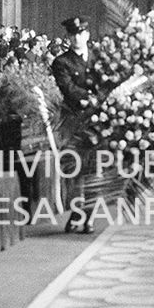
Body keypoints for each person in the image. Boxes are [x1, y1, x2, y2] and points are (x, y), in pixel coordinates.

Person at [51, 17, 98, 233]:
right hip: (74, 122)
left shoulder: (99, 58)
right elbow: (68, 88)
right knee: (75, 169)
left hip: (97, 121)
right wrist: (91, 98)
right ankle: (77, 211)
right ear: (68, 37)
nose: (77, 38)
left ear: (87, 35)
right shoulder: (61, 62)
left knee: (95, 169)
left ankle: (89, 215)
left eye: (80, 34)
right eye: (72, 35)